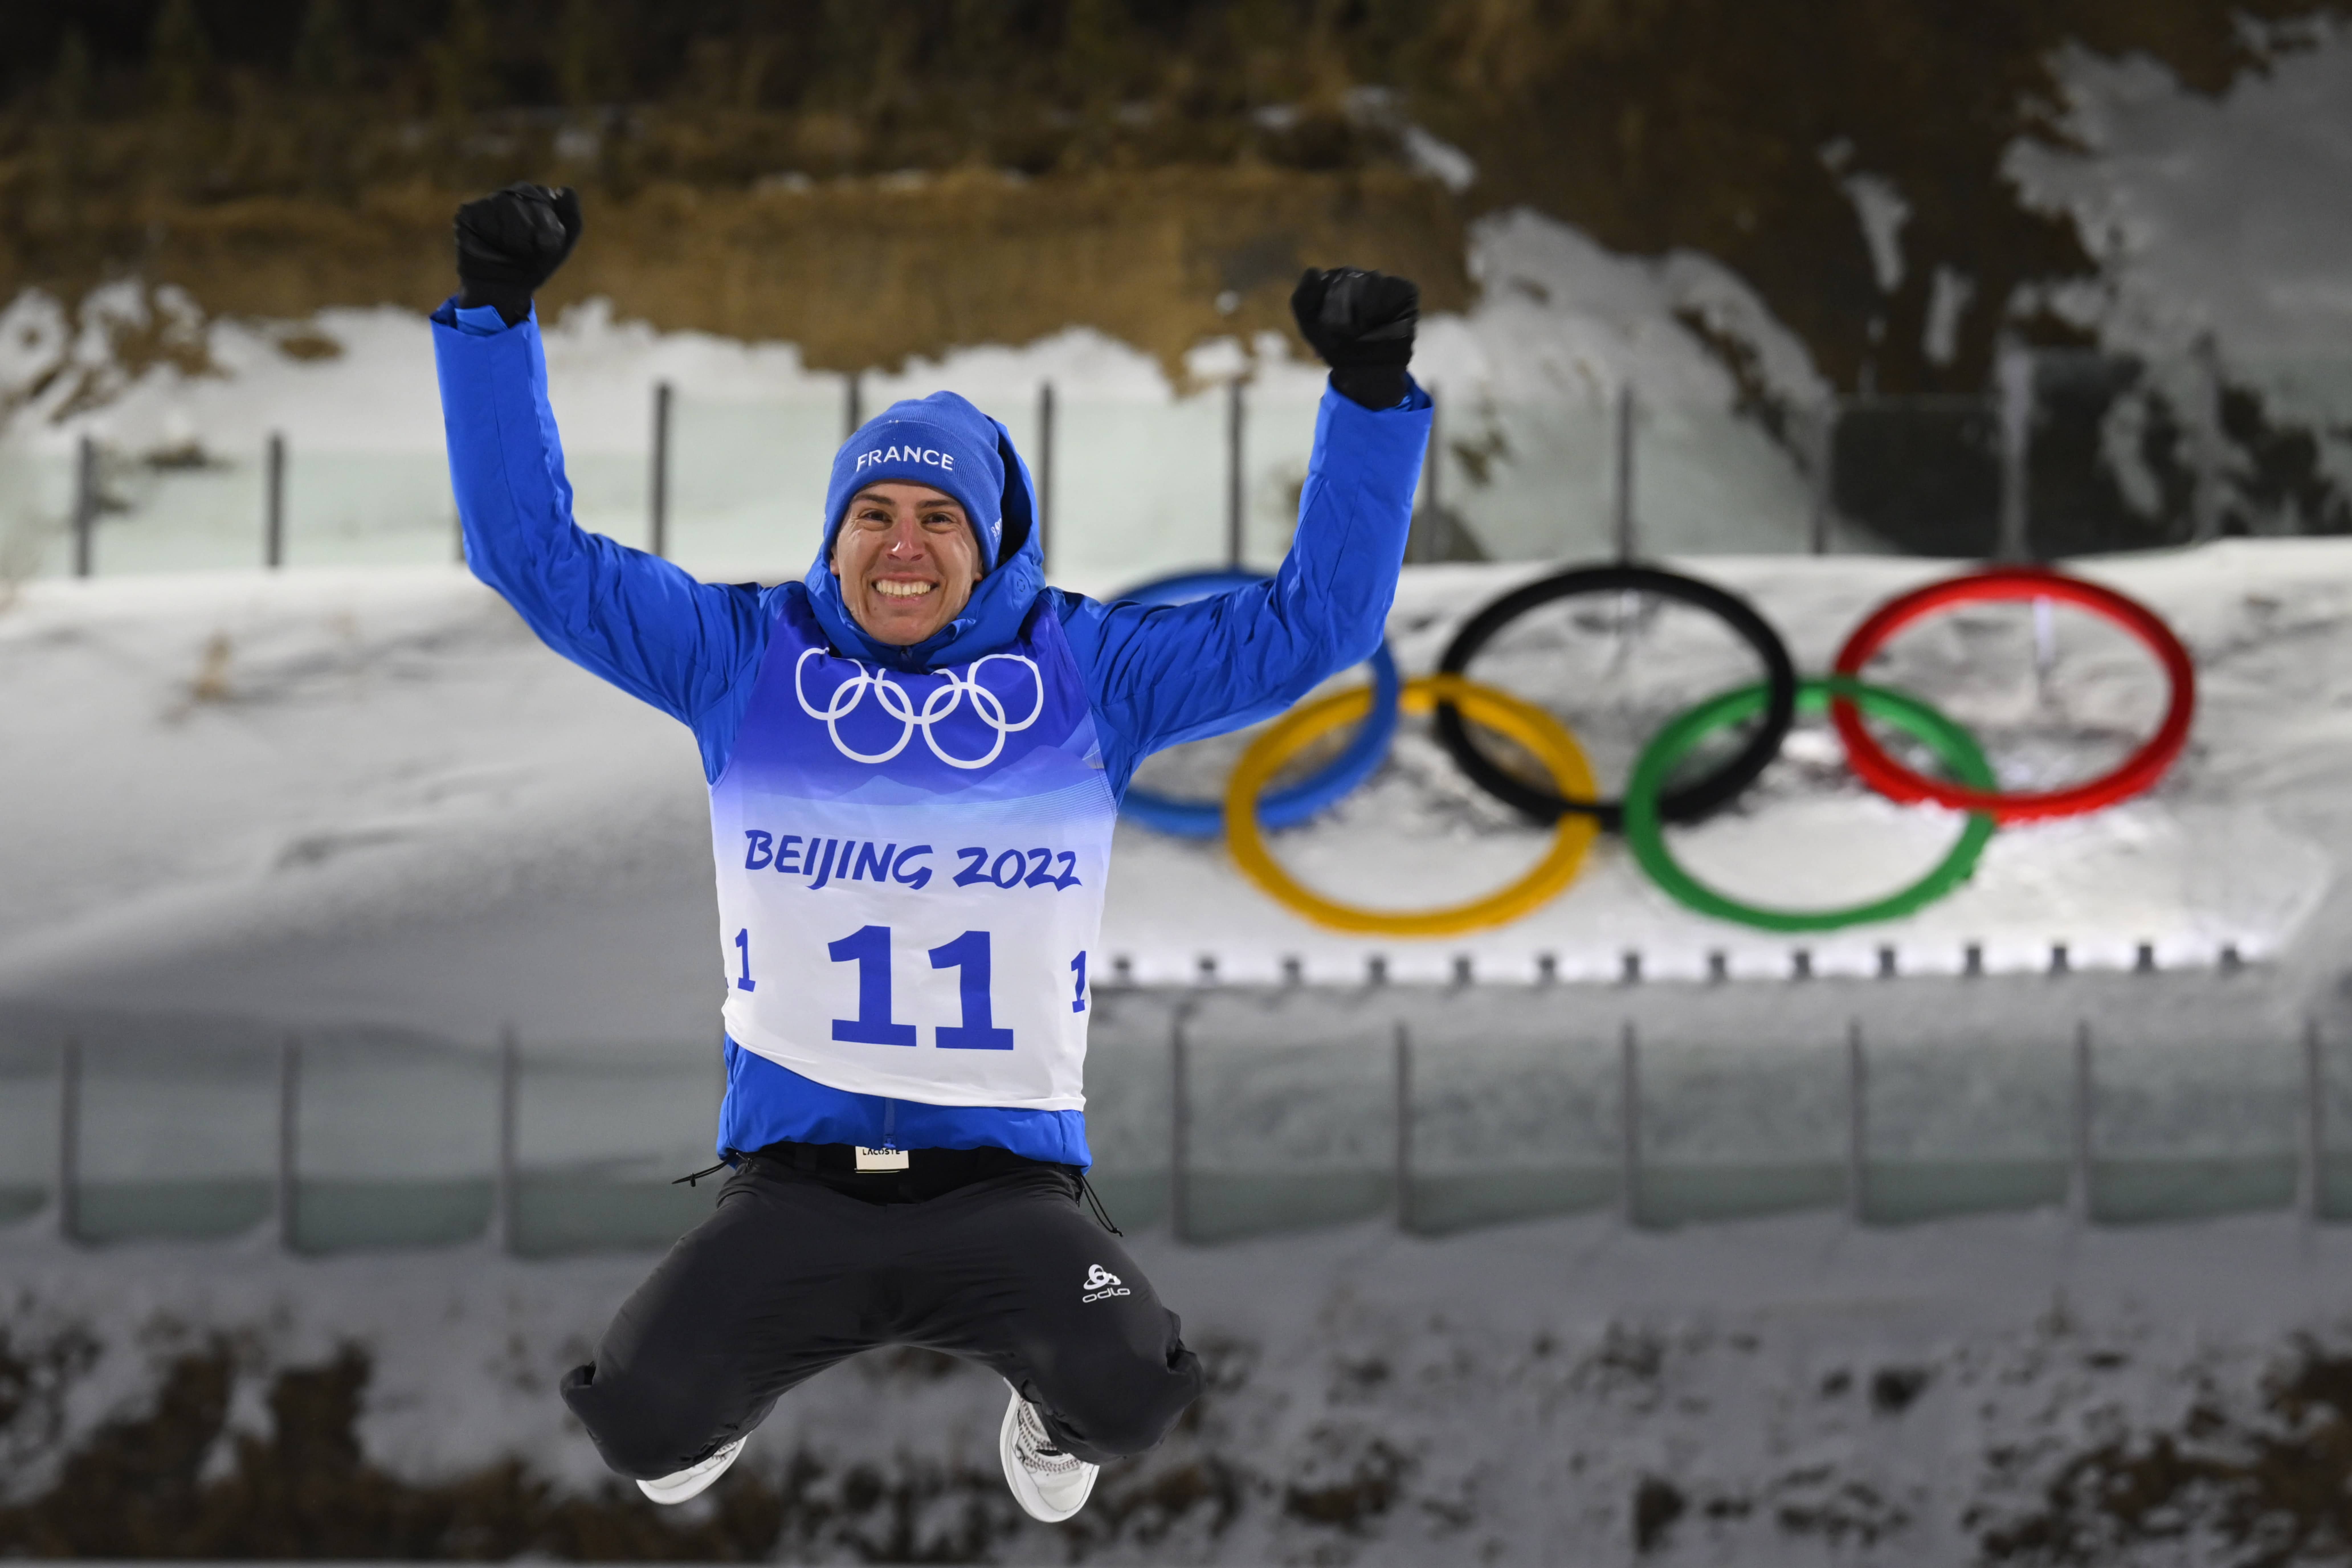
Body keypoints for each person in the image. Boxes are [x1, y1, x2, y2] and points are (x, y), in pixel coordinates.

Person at [431, 183, 1429, 1524]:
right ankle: (708, 1405)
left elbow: (1320, 625)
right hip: (795, 1193)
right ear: (835, 536)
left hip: (1005, 1196)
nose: (904, 546)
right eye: (876, 516)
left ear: (991, 541)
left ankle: (1051, 1414)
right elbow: (532, 556)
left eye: (939, 520)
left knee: (1135, 1388)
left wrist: (1369, 398)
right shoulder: (744, 660)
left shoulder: (1092, 673)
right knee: (642, 1427)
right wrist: (494, 317)